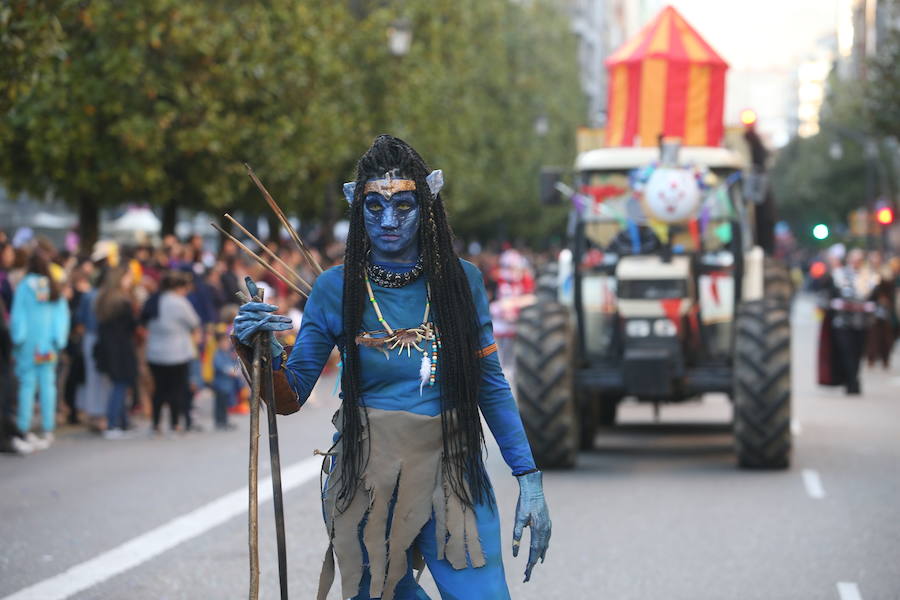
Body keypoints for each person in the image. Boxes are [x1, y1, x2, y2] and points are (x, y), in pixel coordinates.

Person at [233, 135, 550, 600]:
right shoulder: (334, 288)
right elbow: (290, 395)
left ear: (427, 206)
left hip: (453, 474)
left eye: (403, 206)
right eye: (374, 207)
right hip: (365, 477)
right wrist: (260, 351)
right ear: (356, 207)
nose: (387, 220)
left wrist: (529, 477)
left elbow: (490, 386)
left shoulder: (462, 281)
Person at [10, 250, 70, 450]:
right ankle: (48, 427)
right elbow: (61, 315)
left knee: (27, 384)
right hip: (48, 344)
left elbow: (18, 314)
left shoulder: (25, 287)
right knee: (48, 384)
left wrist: (18, 337)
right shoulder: (52, 287)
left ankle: (24, 427)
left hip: (29, 344)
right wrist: (58, 339)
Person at [145, 271, 200, 434]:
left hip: (155, 351)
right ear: (178, 287)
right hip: (177, 351)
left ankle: (156, 423)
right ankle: (175, 422)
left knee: (159, 389)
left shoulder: (153, 300)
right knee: (177, 388)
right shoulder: (179, 303)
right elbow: (194, 322)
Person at [94, 266, 139, 439]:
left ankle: (121, 422)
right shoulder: (122, 301)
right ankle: (114, 423)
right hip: (121, 348)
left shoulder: (105, 299)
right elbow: (131, 325)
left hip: (110, 347)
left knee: (118, 385)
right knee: (120, 386)